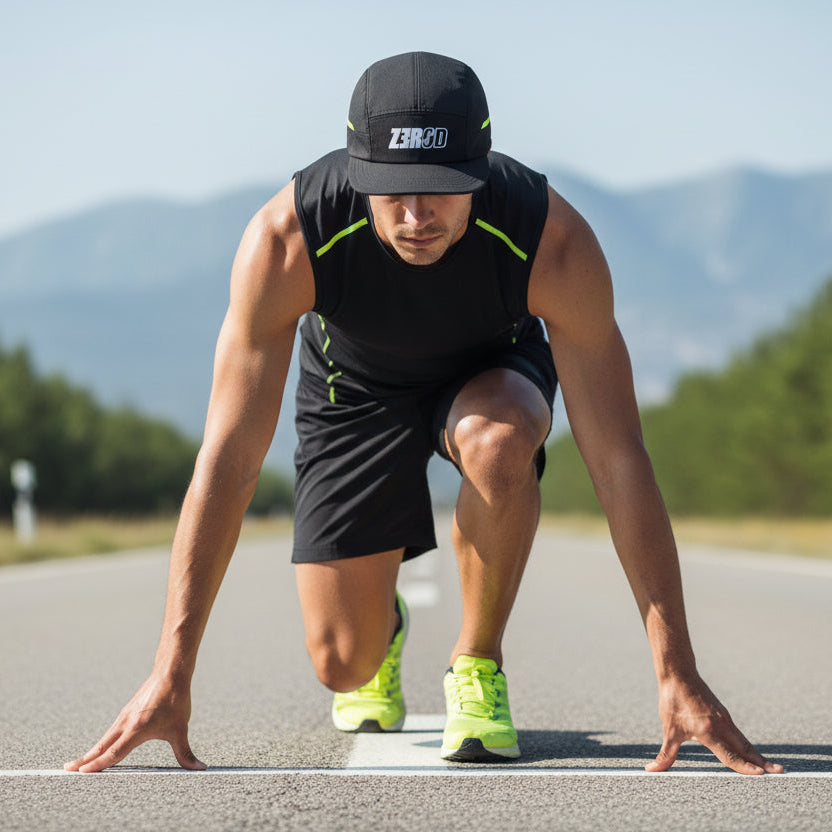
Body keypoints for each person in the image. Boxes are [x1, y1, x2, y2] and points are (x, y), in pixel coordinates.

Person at [65, 51, 782, 774]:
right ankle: (383, 628)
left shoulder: (551, 242)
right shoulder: (287, 240)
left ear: (480, 169)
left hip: (489, 373)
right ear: (358, 173)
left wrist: (677, 671)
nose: (415, 217)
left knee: (499, 445)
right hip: (353, 388)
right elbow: (229, 458)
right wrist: (171, 671)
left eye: (441, 190)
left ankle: (477, 663)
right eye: (391, 191)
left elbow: (619, 459)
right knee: (342, 662)